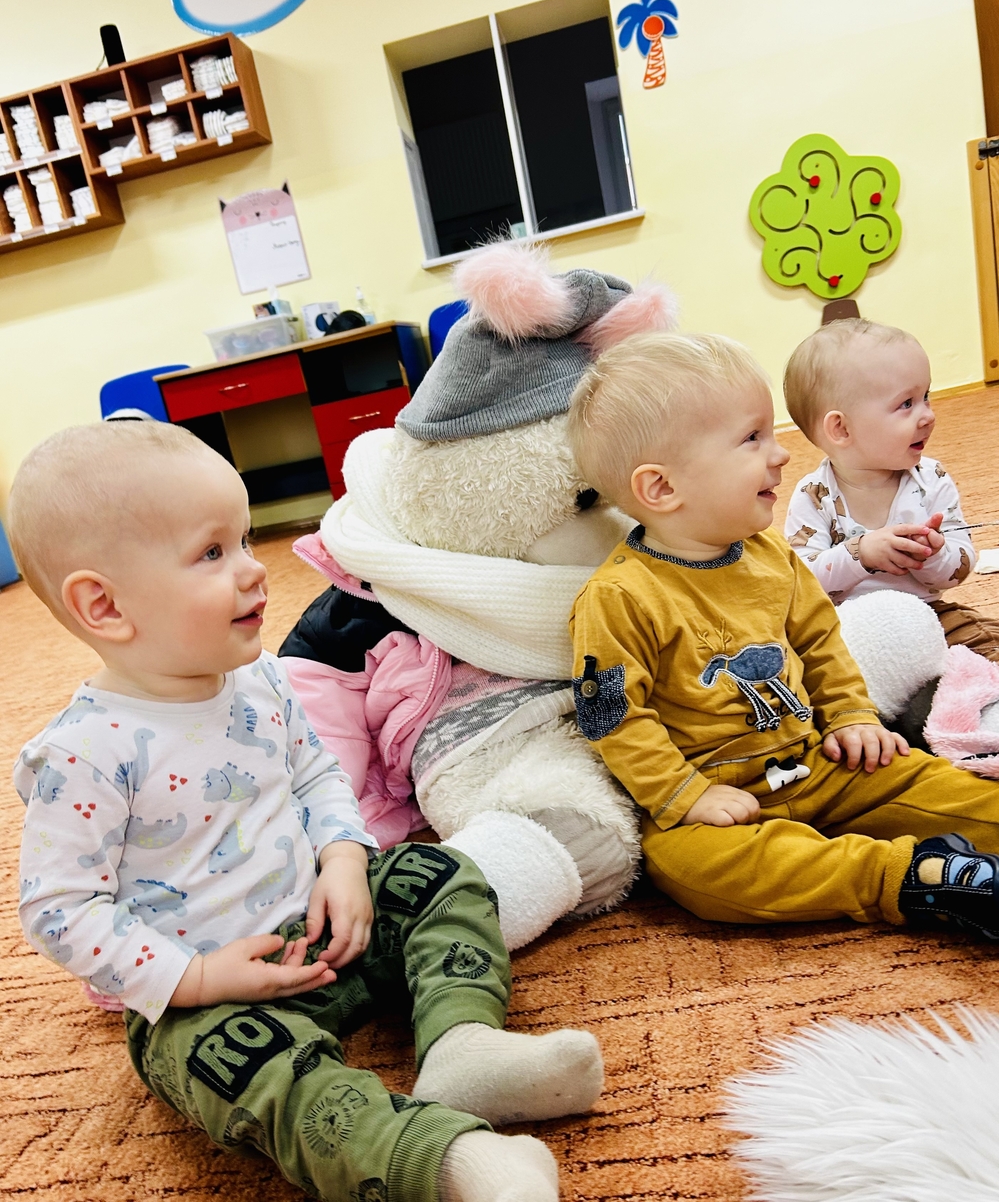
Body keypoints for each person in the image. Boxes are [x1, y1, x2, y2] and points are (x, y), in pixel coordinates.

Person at [9, 421, 605, 1202]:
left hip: (333, 925)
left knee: (439, 874)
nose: (255, 568)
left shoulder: (261, 677)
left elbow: (317, 776)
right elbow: (58, 909)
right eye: (212, 553)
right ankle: (446, 1163)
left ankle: (463, 1043)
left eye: (244, 539)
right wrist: (193, 978)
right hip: (212, 995)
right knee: (232, 1068)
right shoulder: (83, 754)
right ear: (105, 605)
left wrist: (345, 861)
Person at [566, 331, 999, 935]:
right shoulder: (617, 598)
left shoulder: (772, 556)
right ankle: (912, 878)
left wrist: (850, 715)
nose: (781, 454)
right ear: (662, 488)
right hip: (713, 795)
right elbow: (614, 718)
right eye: (753, 438)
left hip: (819, 760)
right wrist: (683, 795)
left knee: (938, 784)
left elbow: (821, 642)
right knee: (694, 868)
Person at [782, 317, 999, 658]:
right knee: (797, 667)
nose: (928, 415)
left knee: (985, 641)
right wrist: (861, 553)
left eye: (925, 397)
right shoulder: (814, 494)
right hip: (845, 629)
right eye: (906, 404)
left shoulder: (931, 478)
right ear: (841, 429)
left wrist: (935, 555)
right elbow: (801, 582)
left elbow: (959, 567)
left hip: (927, 615)